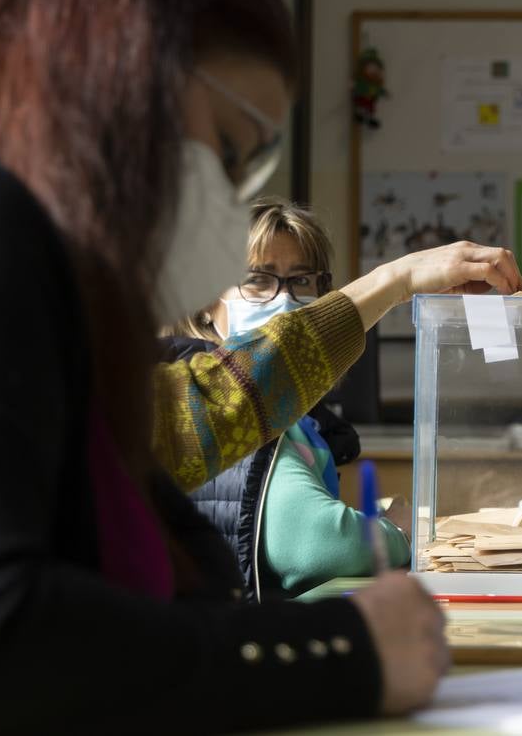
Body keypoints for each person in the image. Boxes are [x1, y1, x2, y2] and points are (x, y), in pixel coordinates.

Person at [0, 0, 522, 732]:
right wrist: (335, 652)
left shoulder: (63, 320)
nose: (230, 199)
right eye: (229, 152)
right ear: (108, 84)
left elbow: (201, 411)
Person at [172, 198, 410, 600]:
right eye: (257, 280)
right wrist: (397, 531)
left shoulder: (295, 412)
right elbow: (319, 545)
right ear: (207, 304)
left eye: (301, 281)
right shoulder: (241, 407)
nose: (283, 300)